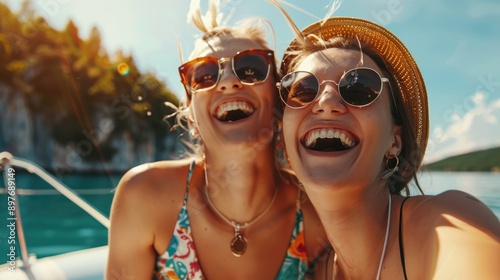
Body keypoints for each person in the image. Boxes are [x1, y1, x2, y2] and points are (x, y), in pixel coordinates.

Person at [269, 2, 500, 279]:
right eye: (302, 89)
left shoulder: (445, 221)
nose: (326, 102)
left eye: (359, 87)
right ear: (283, 137)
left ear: (395, 141)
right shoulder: (308, 270)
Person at [106, 0, 329, 279]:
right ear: (191, 117)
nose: (227, 81)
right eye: (203, 75)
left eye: (250, 68)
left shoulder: (318, 213)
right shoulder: (143, 196)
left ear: (278, 100)